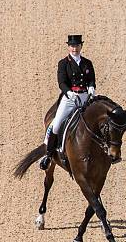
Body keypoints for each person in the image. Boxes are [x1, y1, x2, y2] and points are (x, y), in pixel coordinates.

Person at [40, 34, 96, 170]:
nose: (74, 48)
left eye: (77, 46)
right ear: (68, 47)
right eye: (72, 46)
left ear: (81, 46)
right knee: (57, 124)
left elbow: (91, 79)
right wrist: (69, 93)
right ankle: (48, 155)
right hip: (70, 98)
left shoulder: (87, 63)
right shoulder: (63, 63)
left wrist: (91, 88)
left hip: (84, 97)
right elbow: (62, 82)